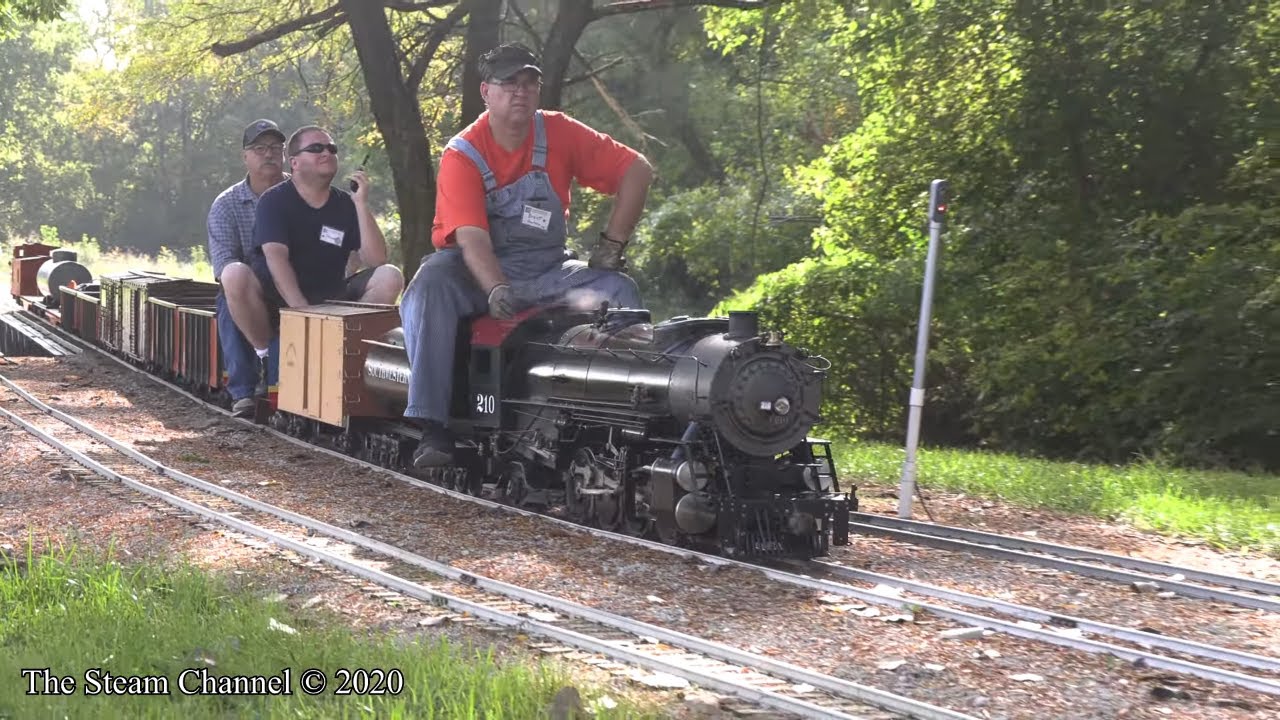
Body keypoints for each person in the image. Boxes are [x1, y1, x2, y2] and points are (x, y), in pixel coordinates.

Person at [399, 42, 654, 468]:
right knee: (429, 286)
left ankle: (633, 420)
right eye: (509, 83)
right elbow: (472, 237)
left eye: (529, 83)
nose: (521, 92)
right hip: (472, 270)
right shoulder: (462, 153)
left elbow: (637, 170)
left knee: (617, 288)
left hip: (548, 268)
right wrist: (496, 287)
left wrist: (612, 245)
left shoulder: (559, 131)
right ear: (486, 91)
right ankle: (433, 426)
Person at [226, 125, 404, 389]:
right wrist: (304, 315)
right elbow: (277, 260)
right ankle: (263, 357)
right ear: (294, 162)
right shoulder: (274, 201)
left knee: (390, 275)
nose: (327, 153)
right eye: (316, 148)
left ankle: (351, 354)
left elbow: (376, 259)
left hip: (331, 299)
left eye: (331, 149)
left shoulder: (346, 203)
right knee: (233, 274)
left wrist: (360, 204)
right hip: (280, 302)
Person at [207, 119, 288, 417]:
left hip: (298, 284)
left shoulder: (303, 193)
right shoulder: (225, 205)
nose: (269, 154)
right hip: (252, 291)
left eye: (275, 148)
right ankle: (242, 390)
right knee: (230, 293)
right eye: (259, 148)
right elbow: (224, 264)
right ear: (245, 156)